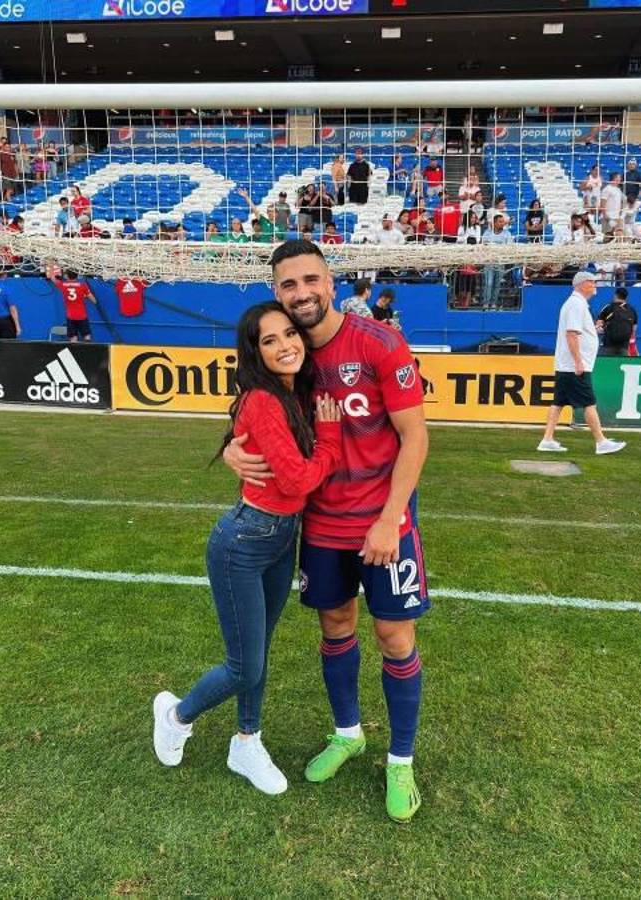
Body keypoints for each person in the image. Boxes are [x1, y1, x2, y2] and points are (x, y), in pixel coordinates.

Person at [224, 240, 430, 823]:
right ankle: (348, 734)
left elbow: (415, 436)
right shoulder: (284, 356)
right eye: (289, 285)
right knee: (335, 626)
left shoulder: (379, 343)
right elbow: (252, 412)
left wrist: (389, 519)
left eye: (310, 280)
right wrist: (234, 449)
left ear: (331, 282)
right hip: (319, 524)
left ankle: (400, 760)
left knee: (394, 638)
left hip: (384, 522)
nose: (302, 293)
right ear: (276, 292)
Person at [153, 301, 342, 795]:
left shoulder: (292, 391)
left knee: (258, 652)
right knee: (245, 665)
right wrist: (330, 441)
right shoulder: (262, 398)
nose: (285, 346)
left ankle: (246, 741)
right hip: (243, 543)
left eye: (289, 334)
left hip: (281, 539)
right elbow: (298, 480)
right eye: (269, 340)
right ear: (254, 352)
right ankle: (176, 716)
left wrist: (236, 446)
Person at [537, 271, 626, 456]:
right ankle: (601, 442)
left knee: (558, 402)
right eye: (592, 282)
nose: (595, 285)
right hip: (574, 366)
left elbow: (576, 332)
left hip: (567, 365)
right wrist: (578, 362)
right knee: (589, 403)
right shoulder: (576, 305)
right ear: (582, 284)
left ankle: (547, 440)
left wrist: (592, 329)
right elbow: (571, 334)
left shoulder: (577, 304)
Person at [50, 269, 97, 342]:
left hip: (70, 316)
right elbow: (94, 301)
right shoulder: (82, 285)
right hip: (82, 315)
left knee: (73, 338)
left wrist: (51, 267)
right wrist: (85, 296)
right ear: (77, 275)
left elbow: (52, 278)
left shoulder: (63, 285)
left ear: (67, 276)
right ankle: (87, 348)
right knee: (87, 336)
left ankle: (74, 349)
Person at [481, 214, 513, 310]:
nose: (502, 223)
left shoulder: (507, 234)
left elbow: (509, 248)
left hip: (500, 262)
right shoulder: (487, 233)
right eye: (500, 221)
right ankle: (486, 304)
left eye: (503, 221)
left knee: (497, 284)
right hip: (489, 262)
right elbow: (483, 246)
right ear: (494, 223)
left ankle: (493, 303)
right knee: (489, 283)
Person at [595, 287, 638, 357]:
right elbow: (634, 329)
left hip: (608, 345)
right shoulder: (632, 310)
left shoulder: (608, 308)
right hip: (624, 346)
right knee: (621, 363)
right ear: (626, 297)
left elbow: (598, 327)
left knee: (604, 363)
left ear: (615, 295)